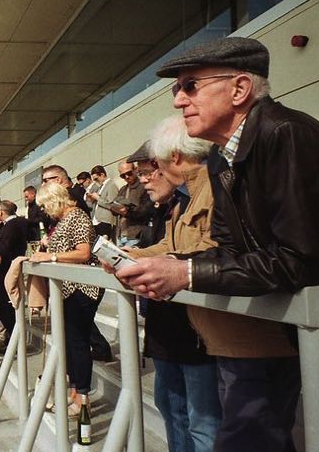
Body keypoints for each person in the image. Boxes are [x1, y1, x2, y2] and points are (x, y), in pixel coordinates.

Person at [116, 36, 319, 452]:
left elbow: (301, 260)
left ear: (239, 89)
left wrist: (184, 271)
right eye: (176, 89)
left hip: (291, 329)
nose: (179, 100)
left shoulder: (285, 133)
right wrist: (163, 265)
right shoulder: (219, 157)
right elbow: (232, 250)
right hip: (274, 326)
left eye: (190, 85)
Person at [124, 122, 222, 452]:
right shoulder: (174, 205)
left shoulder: (211, 188)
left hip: (198, 329)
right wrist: (131, 256)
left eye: (146, 171)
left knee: (202, 419)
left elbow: (213, 248)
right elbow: (169, 245)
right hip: (171, 324)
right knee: (172, 407)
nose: (142, 180)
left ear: (169, 162)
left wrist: (168, 266)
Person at [30, 182, 101, 419]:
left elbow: (84, 253)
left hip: (82, 288)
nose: (44, 212)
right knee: (71, 341)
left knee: (78, 341)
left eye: (44, 206)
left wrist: (50, 255)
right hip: (68, 289)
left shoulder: (78, 216)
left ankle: (82, 396)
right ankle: (74, 391)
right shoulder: (62, 221)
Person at [0, 200, 29, 340]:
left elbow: (5, 246)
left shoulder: (10, 226)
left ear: (2, 212)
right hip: (13, 268)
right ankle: (13, 337)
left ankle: (15, 337)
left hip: (7, 270)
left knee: (3, 307)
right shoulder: (21, 222)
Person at [113, 161, 153, 248]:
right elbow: (113, 208)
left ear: (135, 169)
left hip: (136, 234)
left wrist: (127, 212)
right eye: (123, 175)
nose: (127, 177)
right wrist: (116, 208)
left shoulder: (143, 186)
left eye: (129, 173)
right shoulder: (123, 189)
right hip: (121, 235)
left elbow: (145, 212)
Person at [85, 164, 119, 239]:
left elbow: (112, 204)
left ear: (102, 175)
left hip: (105, 221)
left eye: (96, 179)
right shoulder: (101, 186)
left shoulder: (111, 185)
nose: (95, 182)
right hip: (97, 220)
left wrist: (97, 198)